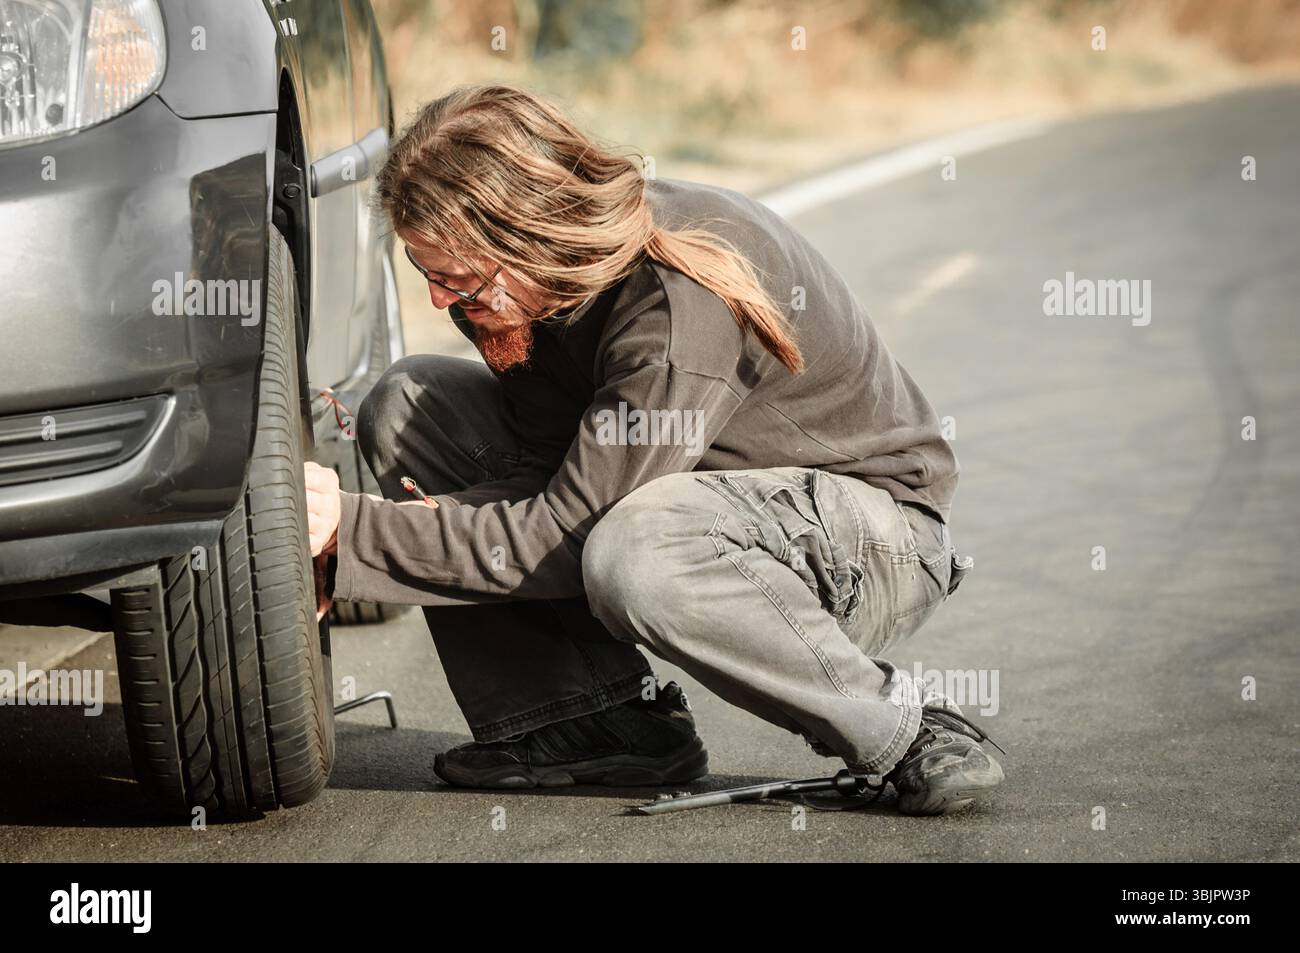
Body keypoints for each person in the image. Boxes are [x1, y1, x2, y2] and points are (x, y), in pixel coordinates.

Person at [303, 84, 1003, 815]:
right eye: (427, 275)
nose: (441, 302)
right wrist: (360, 545)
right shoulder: (530, 291)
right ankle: (591, 724)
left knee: (631, 549)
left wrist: (355, 533)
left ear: (527, 233)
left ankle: (902, 730)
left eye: (457, 279)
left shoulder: (674, 302)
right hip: (701, 500)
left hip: (873, 538)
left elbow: (565, 532)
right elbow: (546, 484)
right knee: (411, 403)